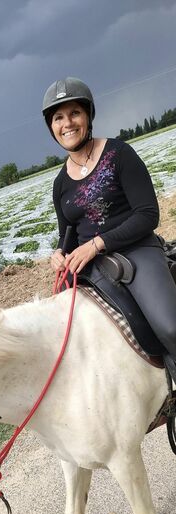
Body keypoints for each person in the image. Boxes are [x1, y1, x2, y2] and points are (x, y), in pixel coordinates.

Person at [42, 76, 176, 363]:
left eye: (75, 113)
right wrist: (59, 254)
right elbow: (67, 235)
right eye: (58, 117)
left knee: (171, 327)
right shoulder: (60, 183)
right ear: (51, 126)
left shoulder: (118, 154)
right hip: (90, 267)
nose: (67, 123)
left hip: (136, 250)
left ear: (88, 115)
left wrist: (97, 244)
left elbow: (148, 214)